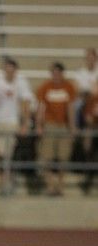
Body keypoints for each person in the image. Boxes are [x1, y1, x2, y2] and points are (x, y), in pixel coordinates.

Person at [0, 57, 34, 195]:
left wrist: (24, 124)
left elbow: (26, 104)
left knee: (6, 153)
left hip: (12, 122)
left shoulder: (22, 83)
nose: (9, 73)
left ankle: (6, 183)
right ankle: (5, 180)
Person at [35, 62, 77, 196]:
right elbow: (41, 107)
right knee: (47, 156)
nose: (56, 76)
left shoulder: (68, 87)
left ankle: (60, 185)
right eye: (54, 73)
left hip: (63, 125)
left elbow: (70, 108)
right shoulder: (45, 87)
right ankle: (50, 185)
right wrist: (39, 125)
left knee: (63, 157)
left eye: (58, 73)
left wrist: (72, 127)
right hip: (50, 124)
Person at [80, 81, 98, 194]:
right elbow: (88, 117)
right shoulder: (92, 100)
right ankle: (88, 181)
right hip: (94, 129)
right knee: (91, 154)